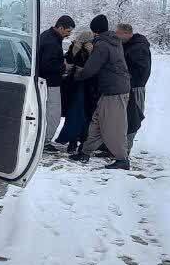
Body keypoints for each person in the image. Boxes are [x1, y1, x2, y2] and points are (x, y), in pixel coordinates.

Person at [69, 14, 132, 170]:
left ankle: (122, 159)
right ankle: (85, 152)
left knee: (113, 126)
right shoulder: (113, 41)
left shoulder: (103, 45)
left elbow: (91, 68)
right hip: (112, 89)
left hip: (114, 91)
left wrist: (74, 74)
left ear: (94, 30)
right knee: (97, 122)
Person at [37, 15, 73, 152]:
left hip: (42, 82)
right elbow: (48, 65)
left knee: (44, 113)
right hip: (51, 83)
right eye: (68, 31)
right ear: (60, 27)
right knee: (53, 114)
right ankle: (45, 142)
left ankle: (41, 139)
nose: (69, 34)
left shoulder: (45, 35)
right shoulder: (52, 42)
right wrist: (64, 67)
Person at [54, 29, 94, 153]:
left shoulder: (75, 46)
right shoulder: (91, 48)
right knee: (83, 115)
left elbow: (69, 61)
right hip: (84, 85)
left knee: (74, 114)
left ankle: (72, 141)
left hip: (75, 84)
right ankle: (80, 141)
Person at [117, 22, 151, 154]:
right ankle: (121, 147)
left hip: (135, 87)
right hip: (130, 86)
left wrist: (127, 77)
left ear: (127, 33)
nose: (117, 36)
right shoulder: (131, 45)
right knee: (126, 117)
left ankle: (125, 150)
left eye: (118, 33)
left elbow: (141, 69)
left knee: (133, 117)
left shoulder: (138, 48)